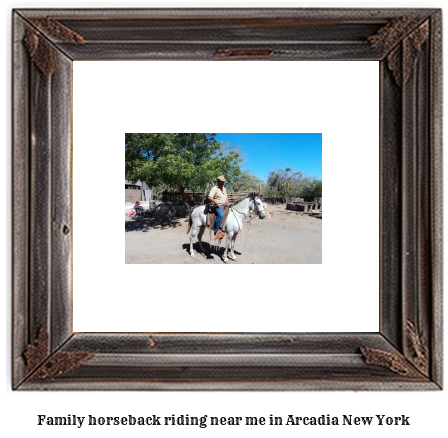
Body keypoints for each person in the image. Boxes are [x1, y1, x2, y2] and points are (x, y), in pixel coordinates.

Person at [208, 175, 230, 239]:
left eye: (223, 181)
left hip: (224, 205)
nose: (222, 182)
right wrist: (217, 203)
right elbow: (210, 197)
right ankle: (216, 231)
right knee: (221, 215)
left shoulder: (224, 189)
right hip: (217, 206)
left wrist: (228, 204)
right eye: (220, 181)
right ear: (217, 181)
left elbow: (226, 197)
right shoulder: (214, 188)